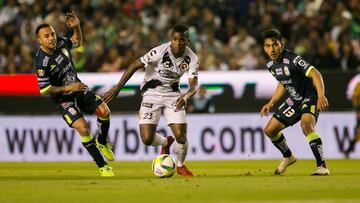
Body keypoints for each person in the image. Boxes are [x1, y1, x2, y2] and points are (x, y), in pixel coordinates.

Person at [104, 24, 198, 177]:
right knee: (147, 139)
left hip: (173, 95)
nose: (178, 42)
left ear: (188, 41)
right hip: (151, 93)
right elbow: (135, 65)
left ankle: (180, 165)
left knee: (181, 136)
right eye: (175, 39)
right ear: (171, 39)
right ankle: (165, 143)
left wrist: (186, 97)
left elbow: (194, 86)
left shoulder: (192, 58)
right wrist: (118, 87)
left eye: (182, 40)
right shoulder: (159, 52)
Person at [34, 11, 114, 177]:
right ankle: (102, 166)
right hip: (63, 99)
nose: (51, 38)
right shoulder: (41, 63)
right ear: (39, 40)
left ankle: (102, 141)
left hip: (79, 89)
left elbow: (76, 41)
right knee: (83, 128)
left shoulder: (61, 43)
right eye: (46, 36)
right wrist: (67, 88)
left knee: (105, 111)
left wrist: (76, 27)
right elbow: (45, 90)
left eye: (53, 34)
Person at [260, 29, 330, 176]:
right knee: (270, 130)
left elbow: (315, 73)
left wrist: (321, 95)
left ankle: (322, 166)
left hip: (309, 96)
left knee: (306, 124)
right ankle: (288, 156)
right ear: (264, 48)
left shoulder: (293, 59)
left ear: (281, 45)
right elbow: (283, 82)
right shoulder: (270, 65)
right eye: (268, 46)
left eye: (274, 45)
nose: (271, 49)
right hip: (294, 99)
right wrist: (271, 102)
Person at [345, 81, 360, 157]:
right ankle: (348, 150)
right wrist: (357, 110)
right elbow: (355, 97)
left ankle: (348, 150)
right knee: (358, 133)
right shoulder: (359, 85)